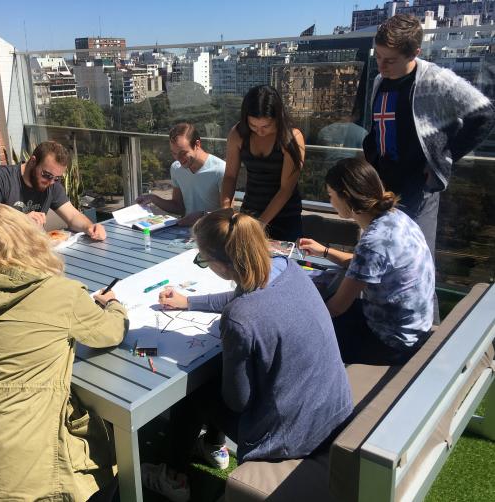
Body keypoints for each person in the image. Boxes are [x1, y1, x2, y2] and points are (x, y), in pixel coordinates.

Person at [141, 209, 352, 502]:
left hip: (290, 437)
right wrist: (189, 302)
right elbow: (243, 297)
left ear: (222, 265)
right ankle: (213, 447)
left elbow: (237, 400)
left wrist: (231, 354)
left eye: (203, 260)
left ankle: (174, 475)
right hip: (331, 411)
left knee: (195, 389)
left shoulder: (240, 318)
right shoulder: (286, 267)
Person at [0, 203, 128, 501]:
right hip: (21, 473)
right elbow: (111, 332)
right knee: (110, 473)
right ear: (26, 235)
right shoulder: (63, 293)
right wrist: (114, 305)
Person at [363, 14, 495, 266]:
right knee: (381, 253)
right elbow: (377, 126)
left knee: (416, 260)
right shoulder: (381, 81)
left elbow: (484, 114)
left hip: (416, 186)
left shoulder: (435, 79)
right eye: (378, 57)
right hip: (383, 181)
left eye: (390, 60)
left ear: (414, 53)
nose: (381, 66)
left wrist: (445, 156)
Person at [299, 158, 435, 365]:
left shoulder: (373, 242)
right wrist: (324, 251)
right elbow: (367, 265)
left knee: (301, 332)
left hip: (390, 343)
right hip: (413, 330)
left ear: (346, 197)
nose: (330, 202)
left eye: (331, 195)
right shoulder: (396, 217)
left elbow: (336, 308)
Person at [0, 141, 106, 240]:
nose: (51, 182)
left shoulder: (52, 184)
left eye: (57, 178)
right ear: (33, 161)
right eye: (46, 175)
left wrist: (90, 227)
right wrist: (20, 222)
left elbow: (72, 216)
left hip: (30, 252)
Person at [221, 85, 306, 241]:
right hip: (250, 212)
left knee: (283, 264)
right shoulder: (238, 133)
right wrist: (226, 208)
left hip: (285, 218)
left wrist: (261, 223)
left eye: (266, 126)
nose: (259, 131)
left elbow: (286, 189)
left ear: (278, 118)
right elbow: (230, 176)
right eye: (253, 125)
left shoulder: (291, 137)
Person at [136, 122, 225, 226]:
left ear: (197, 144)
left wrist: (203, 216)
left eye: (183, 153)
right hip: (185, 231)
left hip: (213, 232)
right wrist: (153, 198)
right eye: (174, 153)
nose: (178, 159)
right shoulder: (176, 168)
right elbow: (178, 207)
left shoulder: (220, 169)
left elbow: (228, 213)